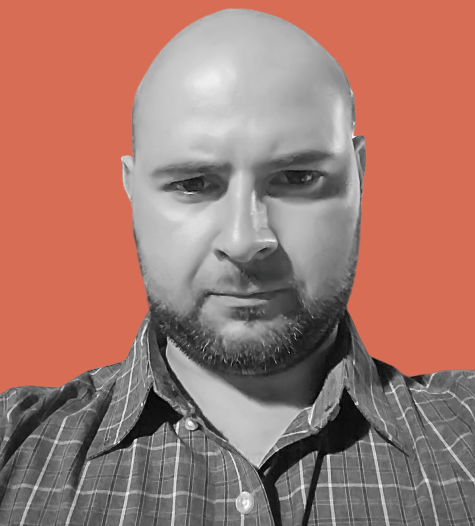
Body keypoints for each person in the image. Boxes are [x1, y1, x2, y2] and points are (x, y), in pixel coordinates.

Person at [0, 8, 474, 525]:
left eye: (298, 177)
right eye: (192, 184)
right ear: (131, 193)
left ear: (359, 177)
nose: (246, 241)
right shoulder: (12, 446)